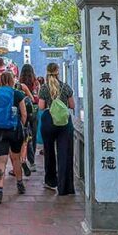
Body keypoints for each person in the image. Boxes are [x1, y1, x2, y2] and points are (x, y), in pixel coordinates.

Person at [38, 62, 75, 195]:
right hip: (64, 122)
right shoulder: (65, 87)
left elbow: (41, 107)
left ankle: (50, 181)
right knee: (65, 153)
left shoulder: (44, 87)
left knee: (49, 152)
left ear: (47, 72)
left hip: (48, 121)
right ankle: (65, 187)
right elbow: (72, 105)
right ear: (58, 71)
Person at [0, 70, 27, 204]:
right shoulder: (17, 94)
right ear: (12, 80)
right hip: (14, 130)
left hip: (0, 130)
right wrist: (21, 126)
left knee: (2, 160)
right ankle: (20, 184)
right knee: (16, 158)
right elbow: (24, 114)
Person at [17, 64, 38, 175]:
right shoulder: (36, 83)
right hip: (33, 112)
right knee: (32, 136)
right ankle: (32, 160)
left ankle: (25, 158)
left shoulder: (19, 85)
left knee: (25, 136)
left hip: (22, 112)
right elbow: (35, 98)